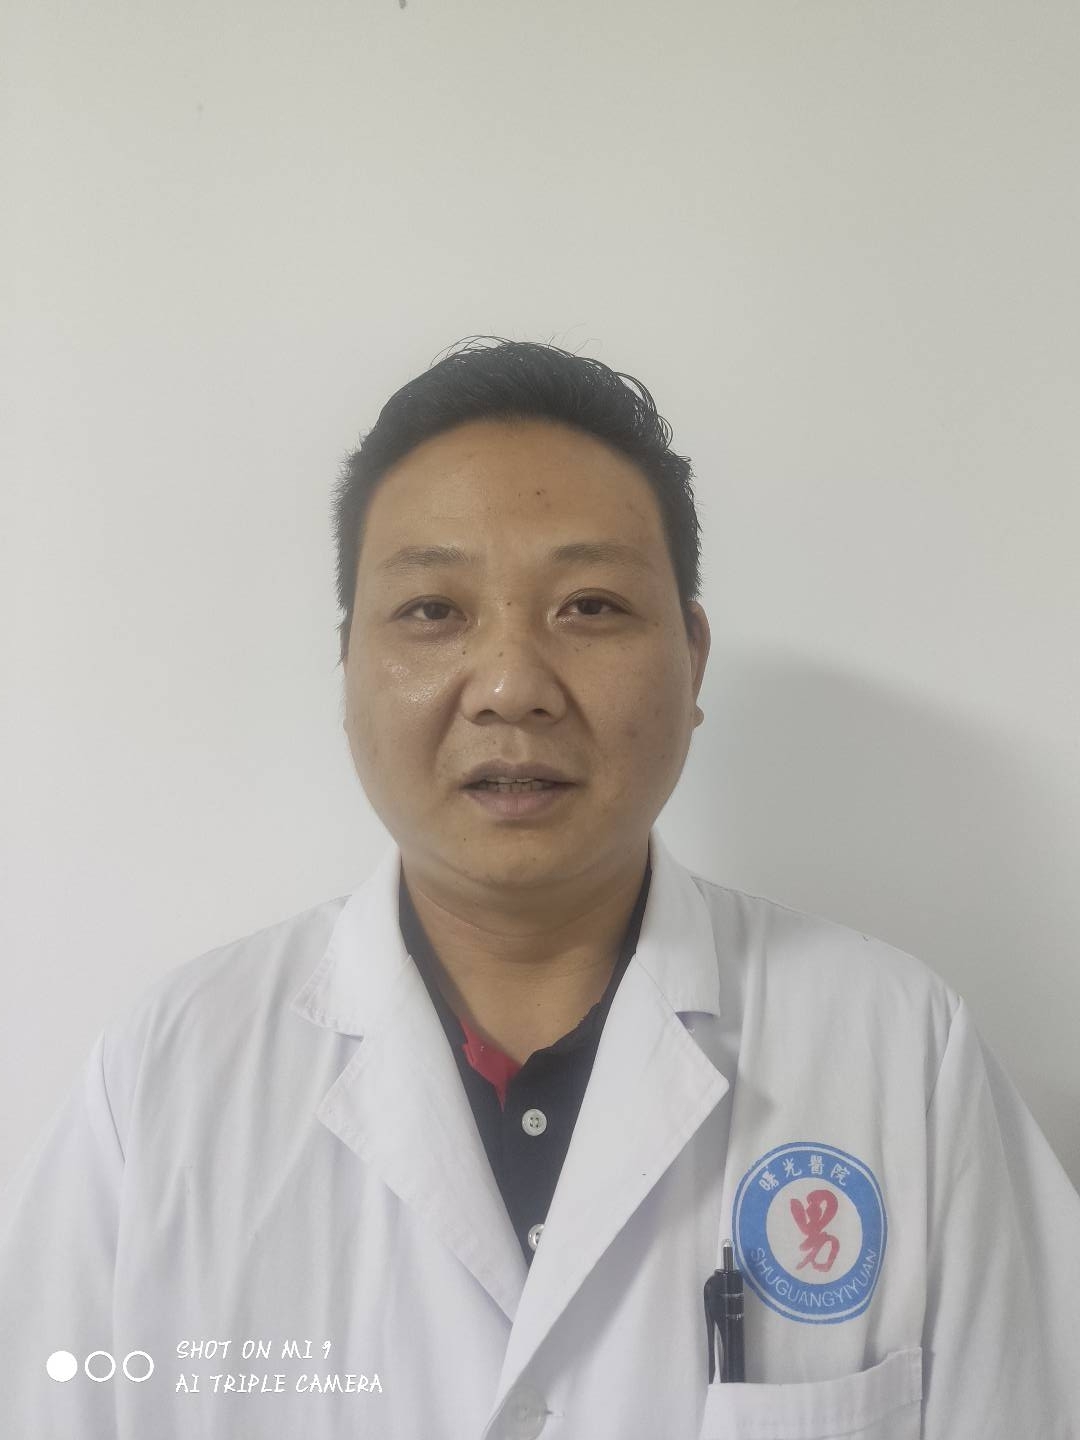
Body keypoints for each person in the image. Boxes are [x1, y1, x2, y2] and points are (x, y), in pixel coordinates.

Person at [2, 335, 1078, 1439]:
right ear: (348, 665)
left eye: (591, 606)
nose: (512, 686)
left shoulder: (902, 1053)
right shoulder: (168, 1078)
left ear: (693, 660)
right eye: (434, 611)